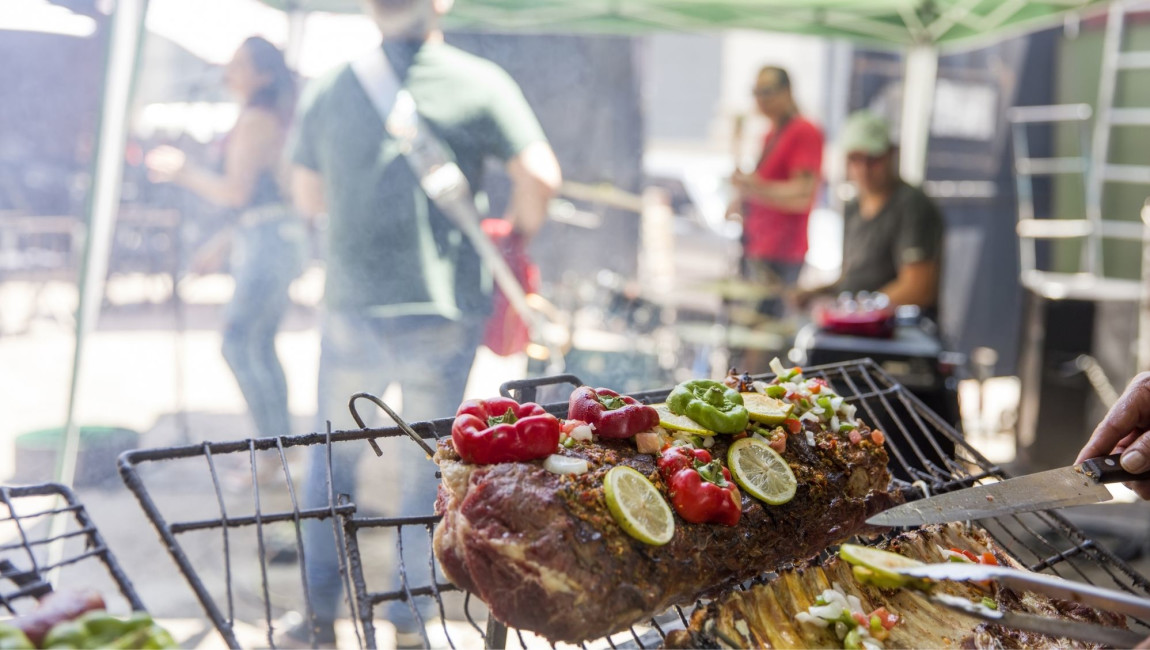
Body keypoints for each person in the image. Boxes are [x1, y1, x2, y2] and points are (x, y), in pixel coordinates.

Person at [287, 0, 561, 644]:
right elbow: (541, 176)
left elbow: (307, 196)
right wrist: (515, 232)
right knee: (426, 464)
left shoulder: (330, 86)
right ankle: (410, 618)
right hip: (443, 308)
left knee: (331, 462)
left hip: (352, 303)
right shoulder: (480, 81)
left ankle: (318, 618)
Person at [146, 37, 306, 442]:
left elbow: (237, 192)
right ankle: (279, 448)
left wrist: (183, 171)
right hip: (272, 237)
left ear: (263, 76)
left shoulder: (257, 120)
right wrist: (223, 243)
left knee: (238, 344)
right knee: (258, 345)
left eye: (238, 64)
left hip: (270, 242)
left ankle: (274, 448)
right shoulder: (268, 115)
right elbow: (259, 202)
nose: (227, 72)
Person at [796, 110, 943, 314]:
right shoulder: (853, 207)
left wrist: (859, 310)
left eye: (873, 159)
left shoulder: (911, 205)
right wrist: (817, 292)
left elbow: (917, 289)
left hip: (894, 331)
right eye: (855, 159)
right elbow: (854, 277)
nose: (864, 169)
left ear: (891, 154)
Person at [727, 65, 824, 319]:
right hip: (757, 248)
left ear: (787, 91)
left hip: (781, 253)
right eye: (756, 92)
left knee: (765, 337)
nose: (760, 99)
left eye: (767, 91)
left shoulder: (804, 131)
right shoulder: (771, 133)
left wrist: (753, 186)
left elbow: (802, 195)